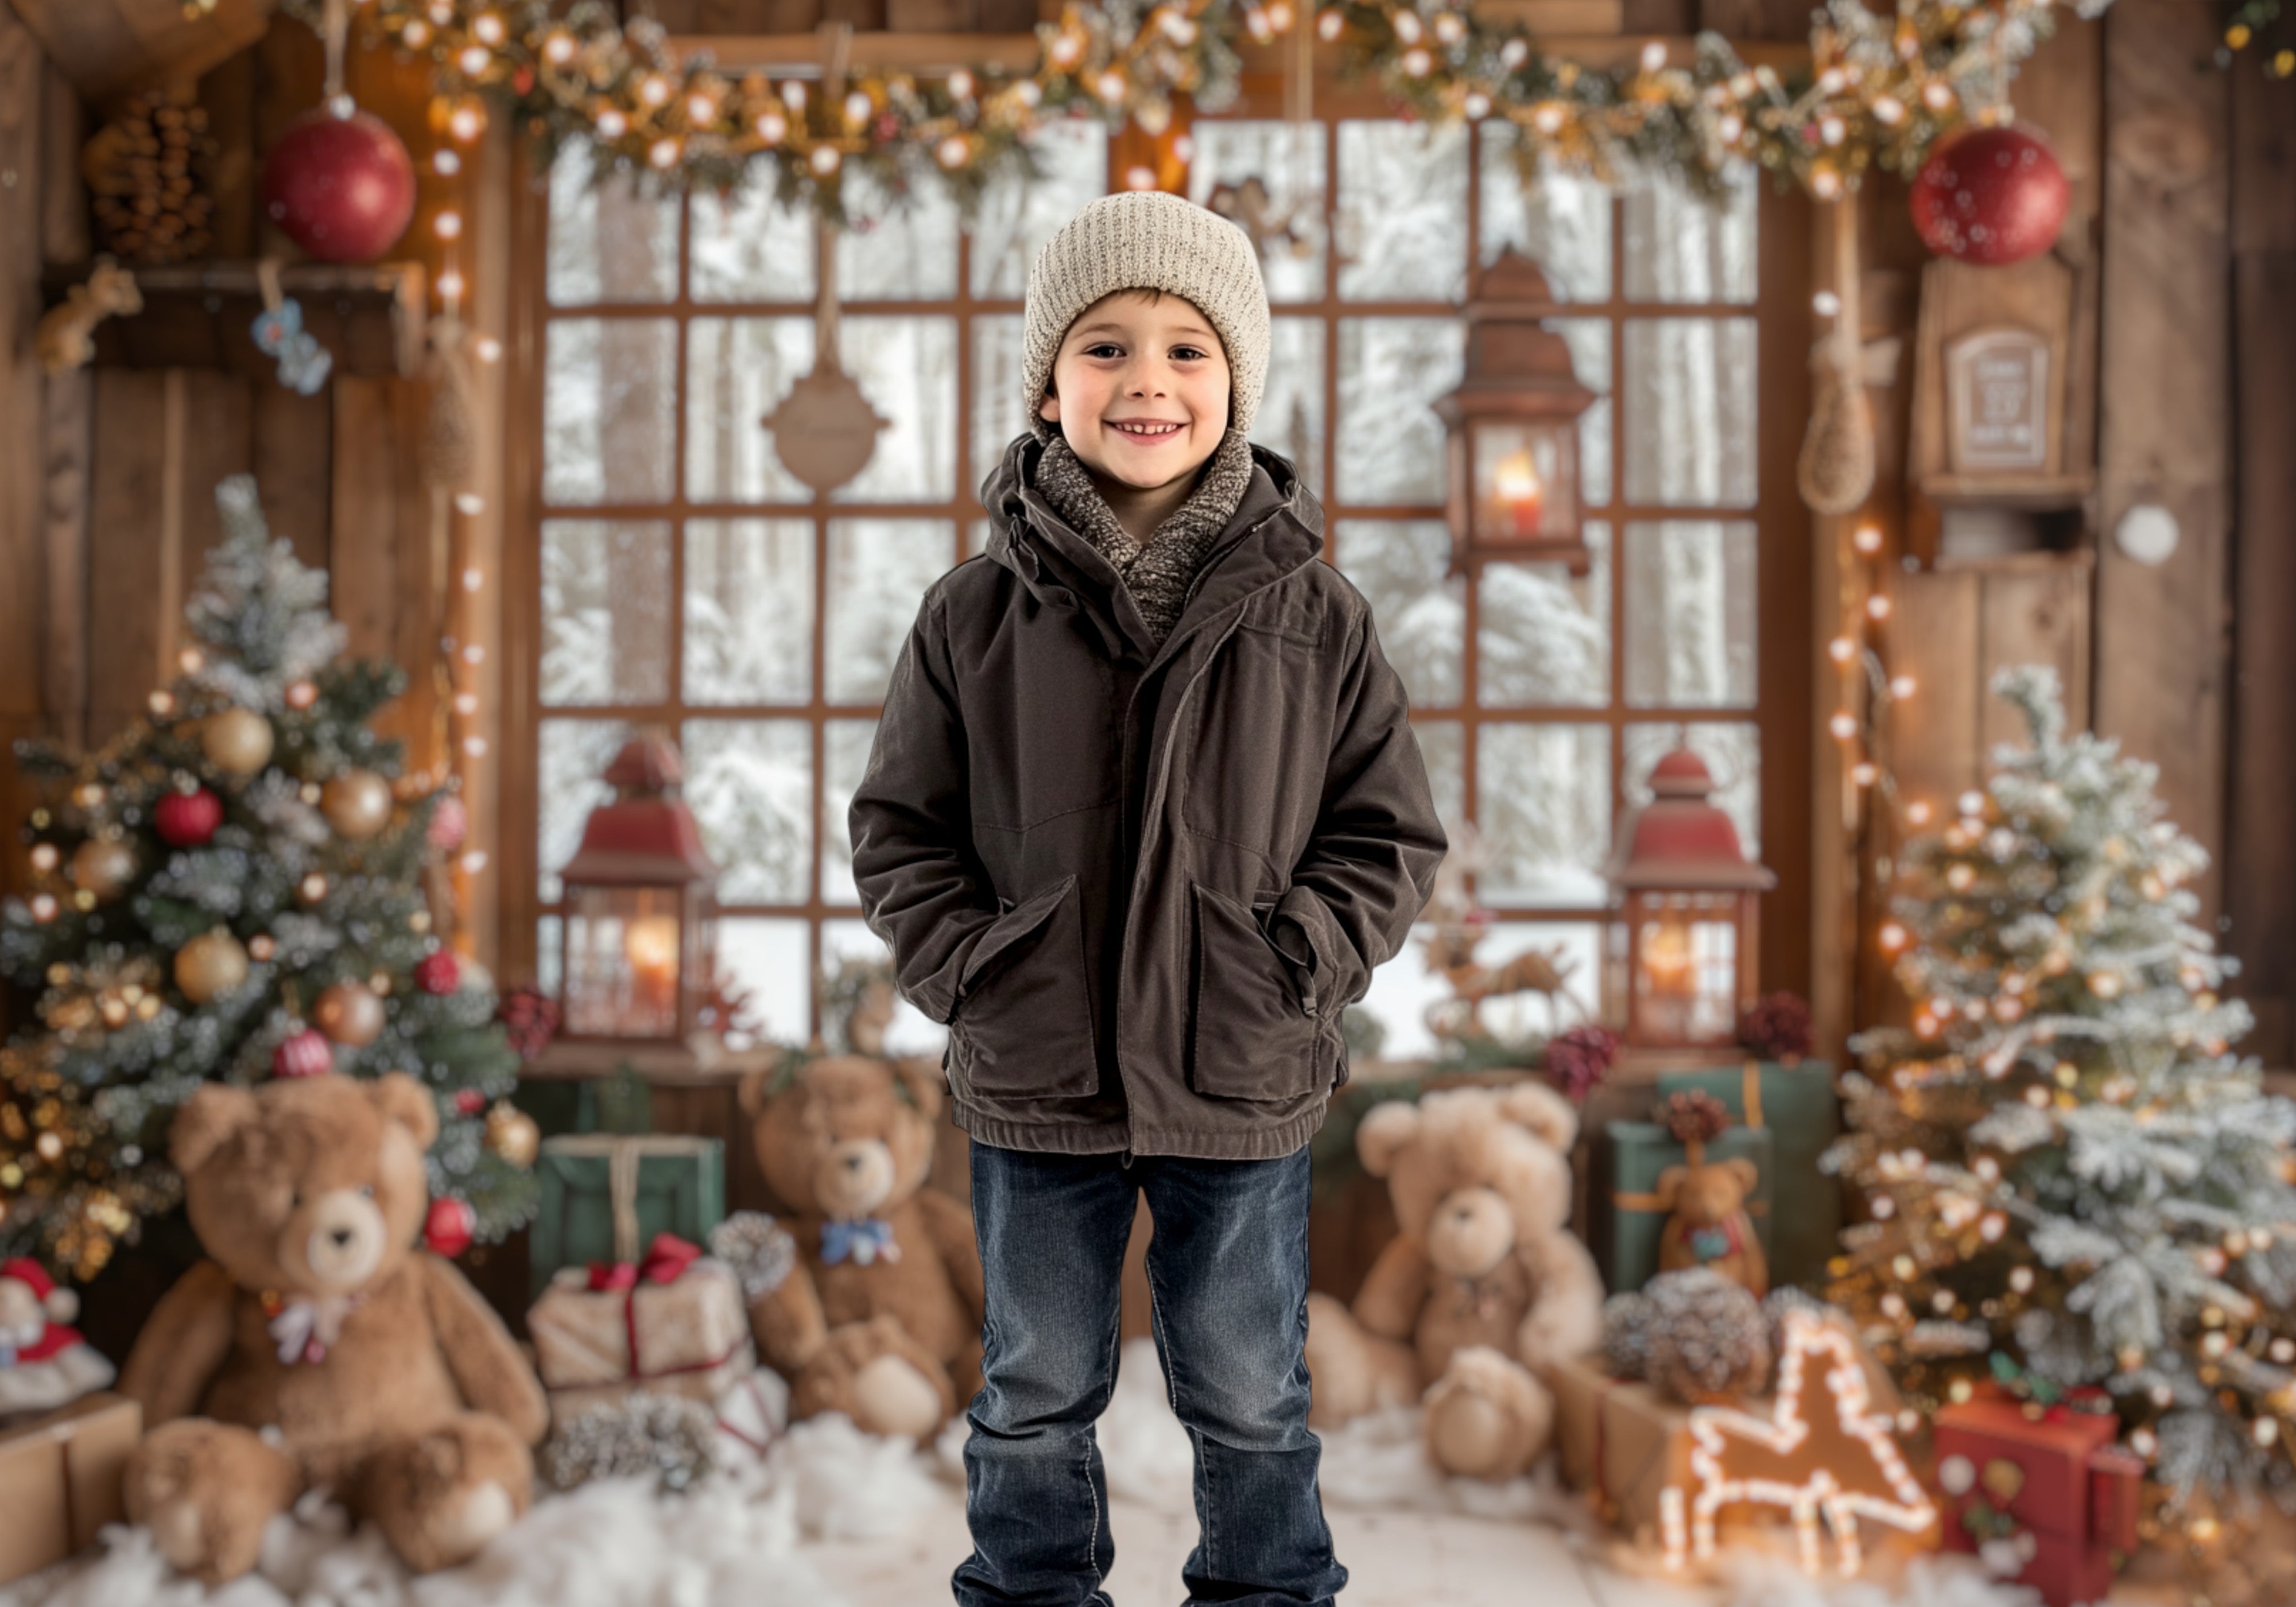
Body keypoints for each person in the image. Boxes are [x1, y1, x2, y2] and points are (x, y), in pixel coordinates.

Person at [848, 188, 1448, 1607]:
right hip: (1037, 1064)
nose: (1147, 382)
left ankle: (1265, 1593)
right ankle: (1034, 1590)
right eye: (1105, 347)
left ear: (1231, 383)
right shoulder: (973, 618)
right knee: (1034, 1384)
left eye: (1186, 349)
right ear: (1050, 385)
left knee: (1248, 1389)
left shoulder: (1315, 615)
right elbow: (899, 828)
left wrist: (1297, 955)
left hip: (1237, 1059)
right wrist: (973, 967)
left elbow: (1387, 829)